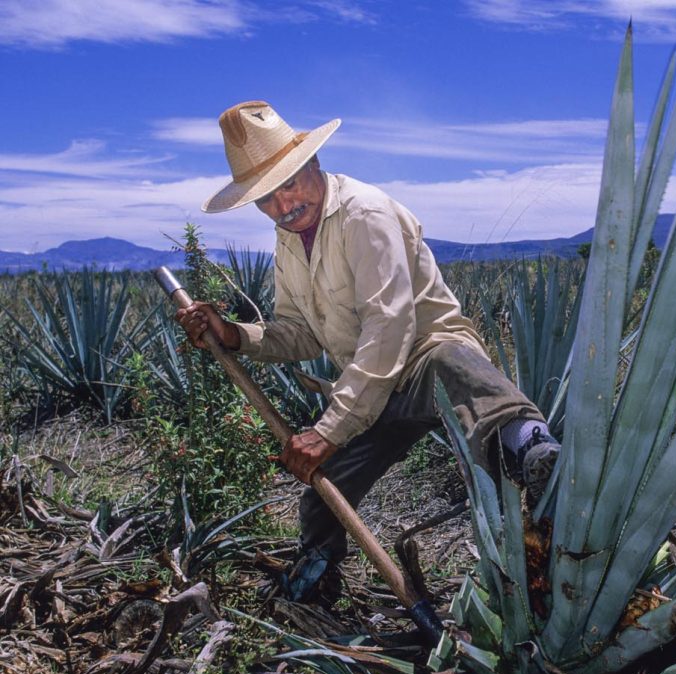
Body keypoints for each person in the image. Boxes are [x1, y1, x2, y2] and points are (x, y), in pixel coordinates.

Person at [175, 101, 559, 599]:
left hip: (420, 360)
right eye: (266, 198)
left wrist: (329, 429)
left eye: (288, 184)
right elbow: (300, 331)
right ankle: (316, 580)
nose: (283, 205)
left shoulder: (366, 213)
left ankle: (532, 448)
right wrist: (233, 335)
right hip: (370, 389)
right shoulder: (290, 240)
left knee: (452, 363)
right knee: (323, 494)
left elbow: (389, 325)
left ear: (312, 163)